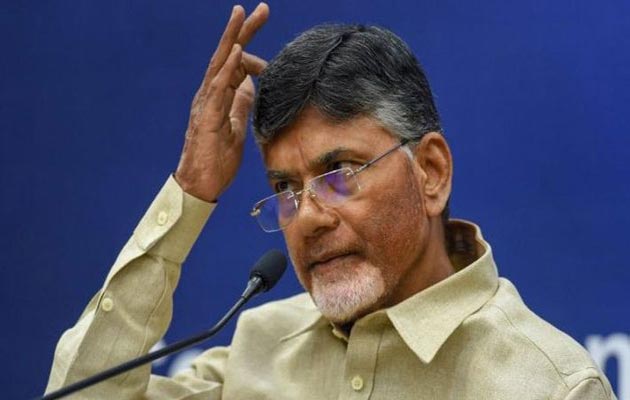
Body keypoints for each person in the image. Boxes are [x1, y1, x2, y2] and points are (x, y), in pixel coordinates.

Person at [45, 3, 616, 399]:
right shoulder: (260, 347)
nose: (308, 217)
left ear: (431, 173)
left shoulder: (549, 386)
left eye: (340, 173)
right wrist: (191, 189)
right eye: (284, 189)